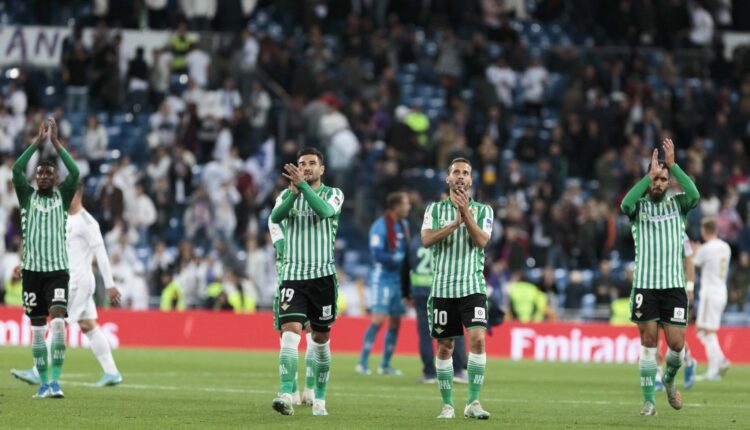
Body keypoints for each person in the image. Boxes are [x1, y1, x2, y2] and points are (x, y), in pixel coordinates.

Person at [11, 185, 123, 387]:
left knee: (57, 324)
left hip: (78, 282)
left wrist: (110, 285)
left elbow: (102, 255)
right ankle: (112, 373)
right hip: (67, 280)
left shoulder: (88, 223)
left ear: (77, 195)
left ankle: (38, 371)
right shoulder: (61, 217)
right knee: (88, 325)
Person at [620, 138, 699, 416]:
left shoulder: (678, 205)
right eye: (656, 179)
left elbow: (695, 195)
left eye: (663, 179)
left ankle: (669, 379)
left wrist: (674, 166)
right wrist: (647, 176)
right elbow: (624, 204)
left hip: (674, 286)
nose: (659, 183)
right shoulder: (639, 208)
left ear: (669, 183)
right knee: (649, 342)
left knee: (677, 347)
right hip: (646, 286)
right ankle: (648, 402)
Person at [269, 148, 344, 417]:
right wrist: (293, 193)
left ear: (322, 169)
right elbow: (275, 218)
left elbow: (324, 212)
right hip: (293, 276)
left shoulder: (334, 193)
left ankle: (319, 398)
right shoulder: (287, 195)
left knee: (320, 338)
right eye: (303, 164)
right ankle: (286, 394)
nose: (307, 167)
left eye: (312, 163)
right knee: (289, 334)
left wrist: (303, 187)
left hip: (322, 277)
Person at [421, 158, 494, 420]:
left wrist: (466, 216)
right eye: (456, 172)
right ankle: (448, 405)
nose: (460, 176)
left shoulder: (484, 211)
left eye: (465, 173)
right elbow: (427, 240)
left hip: (472, 286)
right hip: (442, 288)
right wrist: (452, 224)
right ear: (447, 178)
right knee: (444, 348)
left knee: (477, 340)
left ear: (471, 180)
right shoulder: (434, 209)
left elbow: (481, 241)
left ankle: (473, 402)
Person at [12, 118, 80, 398]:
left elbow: (74, 172)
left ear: (54, 179)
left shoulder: (61, 198)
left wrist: (55, 144)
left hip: (57, 271)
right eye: (39, 173)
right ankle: (43, 384)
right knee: (38, 330)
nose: (42, 176)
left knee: (58, 320)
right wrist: (36, 144)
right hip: (31, 273)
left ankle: (55, 381)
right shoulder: (26, 196)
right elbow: (17, 169)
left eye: (48, 174)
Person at [356, 192, 411, 376]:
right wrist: (397, 257)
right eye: (406, 204)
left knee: (395, 322)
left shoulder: (404, 226)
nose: (409, 207)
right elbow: (376, 255)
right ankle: (362, 363)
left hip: (399, 280)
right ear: (396, 207)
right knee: (378, 319)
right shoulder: (379, 227)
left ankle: (385, 364)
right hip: (382, 278)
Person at [406, 230, 469, 384]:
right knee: (453, 330)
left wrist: (408, 291)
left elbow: (407, 266)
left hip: (420, 290)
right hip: (441, 289)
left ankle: (429, 373)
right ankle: (458, 371)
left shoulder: (415, 241)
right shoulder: (442, 237)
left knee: (425, 335)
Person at [268, 211, 315, 407]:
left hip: (313, 281)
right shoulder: (276, 218)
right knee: (287, 336)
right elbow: (282, 248)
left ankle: (310, 390)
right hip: (286, 283)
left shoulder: (312, 214)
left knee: (315, 333)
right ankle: (293, 390)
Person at [655, 234, 697, 391]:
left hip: (674, 291)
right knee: (653, 331)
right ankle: (658, 375)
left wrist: (690, 287)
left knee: (674, 338)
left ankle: (689, 361)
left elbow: (690, 261)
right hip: (653, 289)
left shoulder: (681, 235)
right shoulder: (650, 229)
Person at [693, 217, 732, 381]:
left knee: (703, 330)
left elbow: (694, 263)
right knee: (708, 331)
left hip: (709, 292)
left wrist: (696, 251)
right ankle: (714, 370)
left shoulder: (706, 248)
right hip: (722, 291)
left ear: (704, 231)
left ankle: (720, 361)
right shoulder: (726, 247)